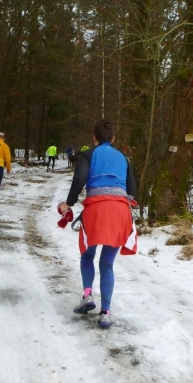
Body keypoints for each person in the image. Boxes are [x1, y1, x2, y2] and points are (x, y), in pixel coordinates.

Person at [58, 119, 137, 328]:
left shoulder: (88, 154)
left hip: (96, 210)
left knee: (88, 254)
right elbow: (132, 190)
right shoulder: (124, 158)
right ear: (113, 138)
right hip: (120, 211)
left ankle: (87, 295)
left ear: (94, 138)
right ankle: (106, 312)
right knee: (107, 263)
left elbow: (80, 179)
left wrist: (68, 203)